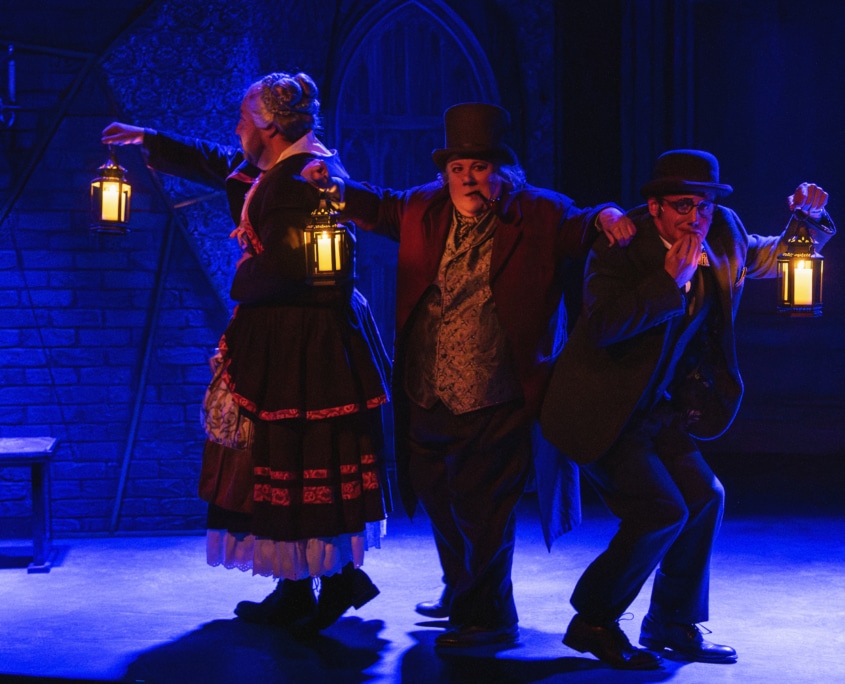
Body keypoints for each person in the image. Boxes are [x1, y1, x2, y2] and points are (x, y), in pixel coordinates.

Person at [305, 102, 636, 648]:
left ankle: (489, 617)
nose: (467, 178)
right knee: (438, 494)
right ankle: (461, 590)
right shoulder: (424, 207)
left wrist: (604, 215)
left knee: (485, 510)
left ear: (503, 172)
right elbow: (378, 205)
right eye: (458, 168)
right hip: (426, 388)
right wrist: (335, 188)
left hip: (497, 393)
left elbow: (585, 223)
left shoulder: (539, 213)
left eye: (479, 167)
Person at [101, 71, 392, 633]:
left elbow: (296, 267)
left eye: (242, 121)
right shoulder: (282, 168)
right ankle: (308, 586)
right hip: (290, 333)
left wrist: (242, 280)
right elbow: (222, 165)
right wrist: (149, 139)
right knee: (282, 454)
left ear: (268, 126)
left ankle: (324, 585)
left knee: (296, 450)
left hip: (304, 340)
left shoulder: (306, 177)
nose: (236, 130)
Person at [540, 149, 835, 669]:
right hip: (601, 410)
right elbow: (603, 325)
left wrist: (805, 221)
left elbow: (769, 255)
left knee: (704, 497)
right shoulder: (621, 245)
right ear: (653, 207)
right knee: (660, 510)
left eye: (701, 205)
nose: (694, 217)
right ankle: (593, 621)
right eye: (681, 206)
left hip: (659, 410)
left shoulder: (721, 233)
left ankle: (672, 621)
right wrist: (667, 283)